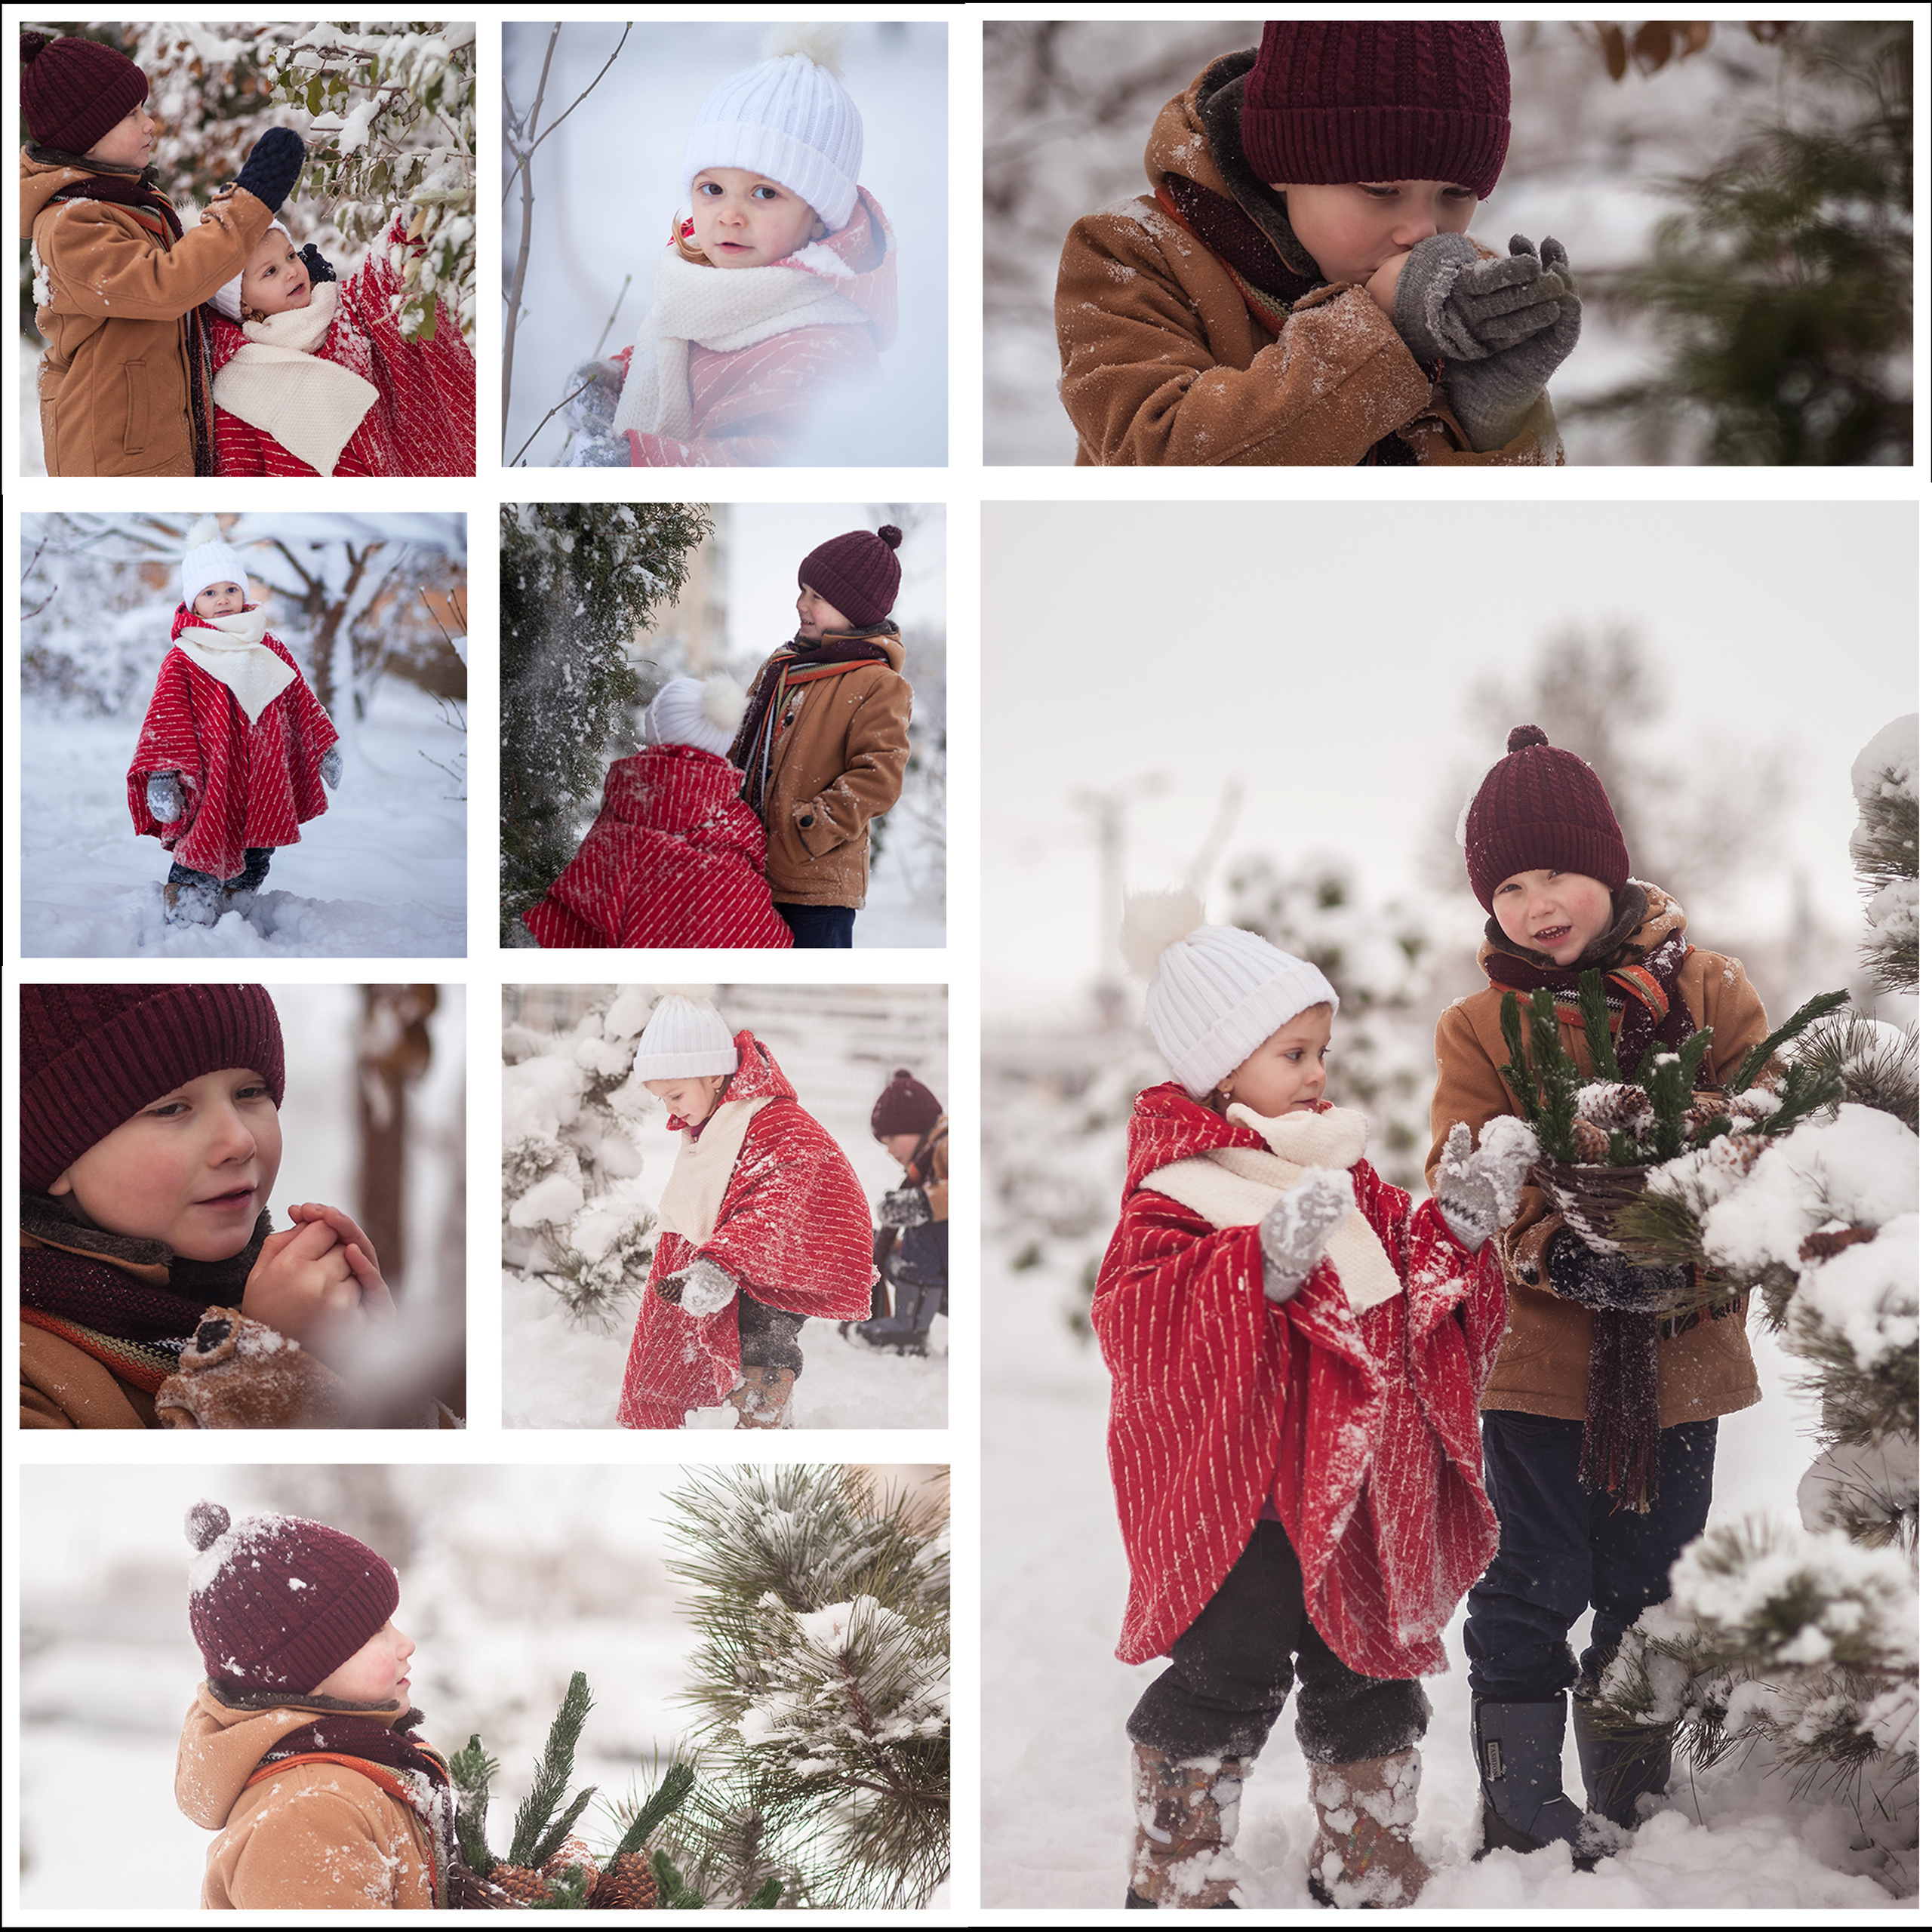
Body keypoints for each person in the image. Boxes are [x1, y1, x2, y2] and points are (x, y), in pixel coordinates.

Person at [1097, 895, 1538, 1908]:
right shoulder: (1180, 1190)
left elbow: (1403, 1300)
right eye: (1291, 1053)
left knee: (1370, 1673)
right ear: (1222, 1067)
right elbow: (1138, 1320)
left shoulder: (1343, 1173)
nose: (1315, 1072)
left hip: (1359, 1491)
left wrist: (1456, 1235)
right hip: (1250, 1506)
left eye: (1320, 1051)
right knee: (1225, 1674)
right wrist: (1256, 1268)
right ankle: (1178, 1861)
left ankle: (1366, 1852)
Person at [1429, 724, 1770, 1861]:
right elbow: (1467, 1168)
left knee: (1652, 1580)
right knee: (1532, 1576)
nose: (1536, 905)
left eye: (1556, 874)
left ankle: (1633, 1790)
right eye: (1508, 888)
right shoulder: (1481, 1026)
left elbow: (1770, 1122)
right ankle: (1521, 1802)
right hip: (1538, 1360)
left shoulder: (1710, 989)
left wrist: (1687, 1208)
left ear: (1610, 869)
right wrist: (1554, 1250)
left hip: (1678, 1348)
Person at [1055, 20, 1578, 466]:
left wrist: (1496, 416)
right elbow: (1155, 467)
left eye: (1456, 194)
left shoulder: (1462, 293)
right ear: (1282, 163)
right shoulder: (1131, 255)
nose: (1423, 232)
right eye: (1381, 189)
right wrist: (1378, 331)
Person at [19, 983, 399, 1430]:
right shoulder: (26, 1370)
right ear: (56, 1154)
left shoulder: (290, 1299)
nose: (239, 1141)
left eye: (249, 1092)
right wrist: (267, 1362)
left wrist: (374, 1370)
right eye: (171, 1109)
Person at [561, 28, 897, 467]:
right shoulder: (705, 285)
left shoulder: (825, 351)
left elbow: (768, 471)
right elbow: (678, 366)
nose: (730, 215)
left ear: (819, 214)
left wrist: (636, 464)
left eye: (765, 193)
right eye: (713, 189)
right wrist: (619, 379)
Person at [176, 1499, 494, 1908]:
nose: (406, 1644)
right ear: (305, 1671)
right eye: (376, 1631)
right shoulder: (308, 1815)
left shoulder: (358, 1769)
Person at [20, 29, 304, 475]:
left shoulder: (131, 200)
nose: (150, 123)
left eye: (144, 108)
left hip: (158, 436)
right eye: (131, 114)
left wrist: (284, 267)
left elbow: (192, 276)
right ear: (87, 136)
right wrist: (249, 203)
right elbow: (167, 285)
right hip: (115, 458)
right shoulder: (70, 226)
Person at [616, 995, 874, 1429]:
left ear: (715, 1074)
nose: (671, 1110)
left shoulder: (774, 1123)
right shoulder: (714, 1124)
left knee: (760, 1331)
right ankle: (716, 1418)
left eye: (676, 1095)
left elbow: (776, 1203)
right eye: (662, 1100)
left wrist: (721, 1264)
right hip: (753, 1251)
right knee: (737, 1326)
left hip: (796, 1247)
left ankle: (759, 1419)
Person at [128, 517, 341, 927]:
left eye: (231, 589)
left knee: (259, 842)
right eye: (210, 592)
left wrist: (323, 747)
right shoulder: (185, 657)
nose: (223, 599)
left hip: (264, 772)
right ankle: (189, 905)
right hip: (215, 774)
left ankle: (237, 900)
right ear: (193, 602)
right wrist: (162, 776)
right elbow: (166, 717)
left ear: (243, 591)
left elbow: (299, 697)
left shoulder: (267, 645)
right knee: (205, 837)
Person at [728, 524, 912, 949]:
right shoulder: (782, 666)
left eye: (817, 597)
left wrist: (806, 831)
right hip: (745, 868)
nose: (801, 604)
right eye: (802, 590)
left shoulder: (879, 684)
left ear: (855, 611)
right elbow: (738, 744)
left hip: (815, 890)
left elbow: (878, 778)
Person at [521, 675, 792, 949]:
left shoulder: (623, 799)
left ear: (656, 732)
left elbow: (583, 905)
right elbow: (748, 919)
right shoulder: (741, 823)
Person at [205, 213, 475, 475]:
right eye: (270, 272)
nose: (291, 271)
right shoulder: (241, 383)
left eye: (290, 256)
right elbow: (238, 470)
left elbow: (383, 277)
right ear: (242, 301)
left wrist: (411, 226)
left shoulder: (343, 308)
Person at [844, 1068, 947, 1355]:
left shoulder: (947, 1145)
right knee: (896, 1252)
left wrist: (920, 1203)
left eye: (891, 1139)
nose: (889, 1150)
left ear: (915, 1125)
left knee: (921, 1223)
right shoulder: (929, 1159)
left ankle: (908, 1328)